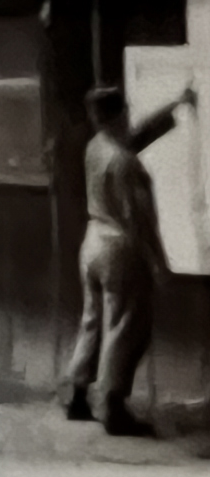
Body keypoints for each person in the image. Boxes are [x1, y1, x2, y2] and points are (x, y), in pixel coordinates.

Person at [63, 82, 196, 436]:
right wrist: (160, 264)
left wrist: (172, 106)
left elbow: (134, 138)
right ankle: (112, 407)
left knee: (92, 321)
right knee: (125, 328)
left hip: (92, 243)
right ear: (120, 114)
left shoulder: (97, 146)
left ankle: (77, 395)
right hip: (120, 249)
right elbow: (142, 221)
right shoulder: (125, 164)